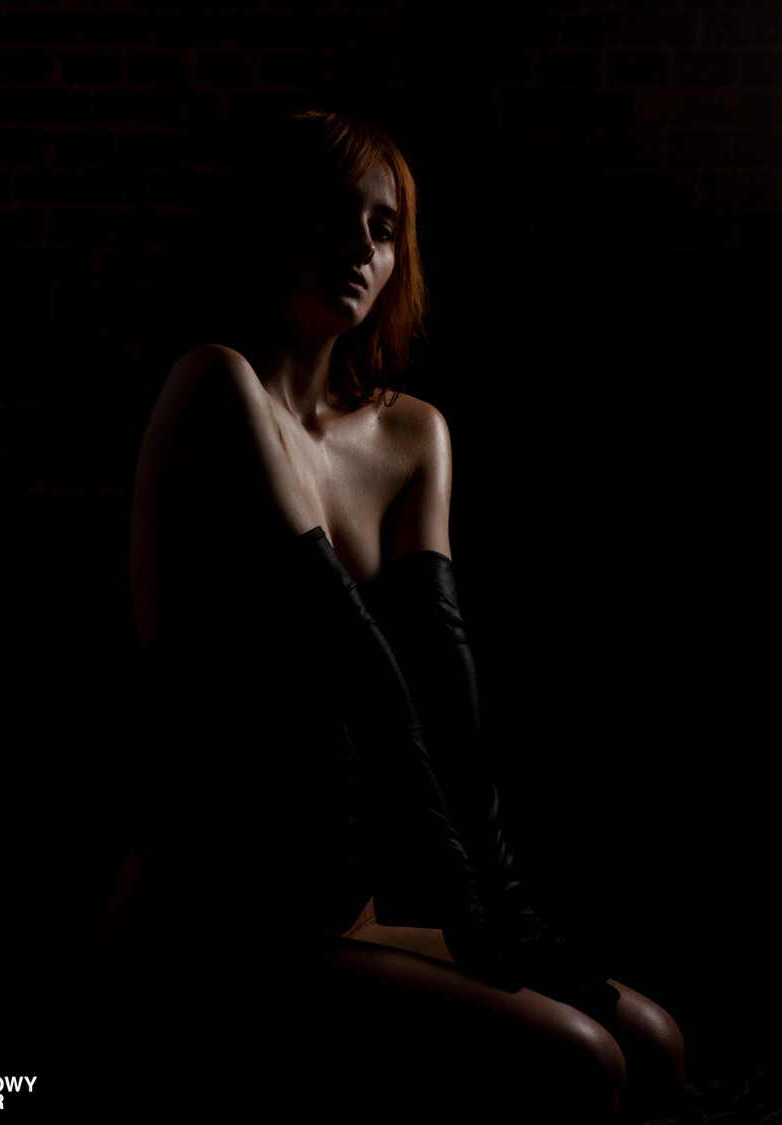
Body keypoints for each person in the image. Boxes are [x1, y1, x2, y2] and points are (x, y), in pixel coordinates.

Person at [101, 110, 685, 1121]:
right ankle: (14, 1092)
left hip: (342, 915)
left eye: (383, 229)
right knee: (583, 1064)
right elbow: (358, 659)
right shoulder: (215, 384)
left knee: (654, 1044)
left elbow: (444, 686)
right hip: (209, 920)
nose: (360, 248)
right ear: (272, 225)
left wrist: (506, 906)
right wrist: (474, 897)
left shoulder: (413, 434)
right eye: (330, 218)